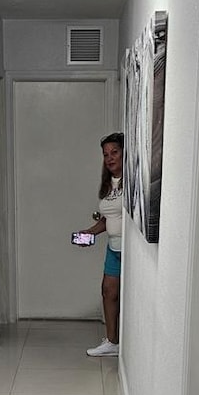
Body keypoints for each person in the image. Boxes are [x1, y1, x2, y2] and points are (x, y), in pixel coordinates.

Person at [79, 132, 124, 357]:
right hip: (113, 248)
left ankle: (124, 340)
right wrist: (90, 232)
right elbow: (107, 220)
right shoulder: (109, 184)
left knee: (127, 296)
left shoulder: (132, 183)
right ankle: (112, 342)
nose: (110, 158)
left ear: (125, 153)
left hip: (130, 251)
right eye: (106, 154)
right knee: (108, 291)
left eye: (114, 152)